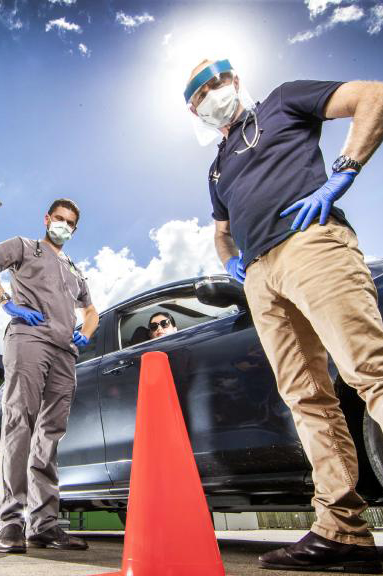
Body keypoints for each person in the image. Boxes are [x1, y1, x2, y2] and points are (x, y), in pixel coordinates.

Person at [184, 59, 383, 573]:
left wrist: (342, 173)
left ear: (235, 79)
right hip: (260, 277)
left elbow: (372, 96)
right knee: (306, 399)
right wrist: (233, 262)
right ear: (193, 109)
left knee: (370, 370)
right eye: (199, 92)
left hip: (311, 243)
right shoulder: (216, 168)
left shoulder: (283, 100)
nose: (212, 93)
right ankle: (342, 531)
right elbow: (221, 231)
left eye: (216, 81)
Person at [0, 199, 99, 554]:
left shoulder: (74, 270)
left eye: (70, 223)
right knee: (19, 422)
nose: (63, 225)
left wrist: (85, 332)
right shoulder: (25, 247)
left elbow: (91, 311)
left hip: (64, 352)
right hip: (29, 338)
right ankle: (10, 521)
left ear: (74, 229)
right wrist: (4, 301)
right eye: (59, 219)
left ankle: (43, 525)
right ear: (47, 219)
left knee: (50, 435)